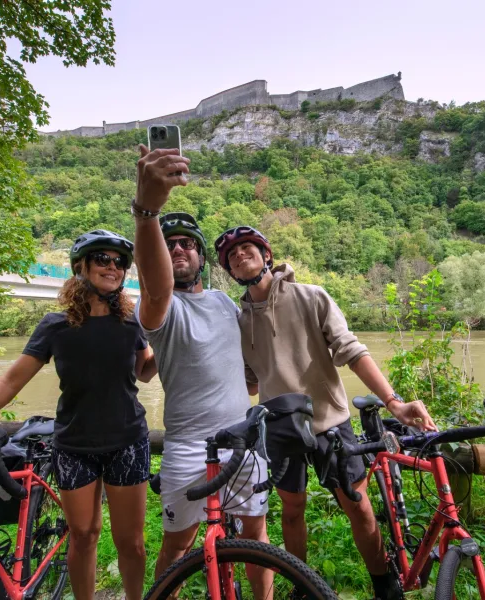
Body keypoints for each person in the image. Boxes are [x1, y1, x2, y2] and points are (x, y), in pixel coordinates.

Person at [0, 230, 157, 600]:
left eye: (120, 262)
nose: (113, 267)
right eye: (102, 258)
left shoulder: (132, 323)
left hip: (128, 441)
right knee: (83, 536)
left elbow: (144, 371)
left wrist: (171, 344)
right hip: (74, 445)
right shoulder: (56, 326)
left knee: (131, 542)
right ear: (80, 267)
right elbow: (9, 382)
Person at [214, 226, 438, 600]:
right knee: (291, 511)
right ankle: (302, 585)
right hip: (280, 428)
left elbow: (352, 351)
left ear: (266, 255)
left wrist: (393, 402)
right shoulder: (240, 323)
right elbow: (251, 382)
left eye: (246, 247)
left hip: (329, 422)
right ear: (230, 271)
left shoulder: (311, 297)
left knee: (358, 507)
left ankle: (384, 583)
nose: (239, 255)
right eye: (230, 256)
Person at [131, 146, 272, 597]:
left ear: (201, 258)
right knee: (177, 546)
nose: (178, 249)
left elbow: (247, 352)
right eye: (169, 243)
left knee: (256, 538)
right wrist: (147, 211)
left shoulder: (223, 302)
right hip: (187, 446)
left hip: (244, 440)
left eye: (187, 244)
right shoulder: (159, 308)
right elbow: (157, 288)